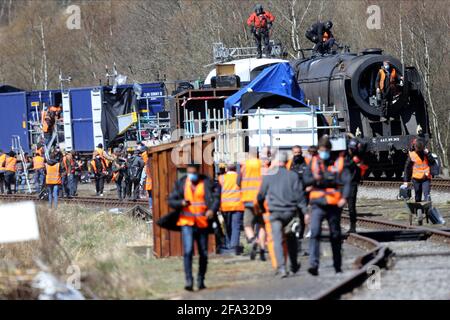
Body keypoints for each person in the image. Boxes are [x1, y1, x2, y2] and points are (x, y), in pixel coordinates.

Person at [303, 136, 352, 275]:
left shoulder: (338, 162)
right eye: (321, 150)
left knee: (335, 235)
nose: (323, 152)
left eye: (326, 150)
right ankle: (313, 264)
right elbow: (305, 179)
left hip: (333, 204)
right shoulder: (313, 162)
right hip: (317, 204)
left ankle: (337, 265)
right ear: (319, 150)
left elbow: (347, 181)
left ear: (330, 150)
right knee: (315, 233)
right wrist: (315, 179)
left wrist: (344, 198)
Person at [168, 163, 220, 291]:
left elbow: (216, 198)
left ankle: (200, 280)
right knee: (188, 251)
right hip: (187, 223)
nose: (191, 175)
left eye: (193, 172)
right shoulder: (181, 183)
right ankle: (189, 281)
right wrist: (180, 202)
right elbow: (171, 200)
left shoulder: (206, 183)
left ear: (198, 172)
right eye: (189, 172)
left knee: (203, 252)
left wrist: (212, 210)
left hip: (202, 222)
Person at [257, 152, 305, 278]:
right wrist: (305, 211)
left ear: (276, 161)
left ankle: (282, 268)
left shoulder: (268, 176)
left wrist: (262, 210)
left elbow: (260, 196)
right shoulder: (293, 176)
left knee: (277, 240)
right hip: (290, 213)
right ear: (286, 162)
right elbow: (299, 196)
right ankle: (294, 265)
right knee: (291, 239)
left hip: (275, 213)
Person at [238, 147, 265, 261]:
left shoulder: (244, 166)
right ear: (257, 154)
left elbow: (238, 182)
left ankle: (254, 241)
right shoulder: (262, 164)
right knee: (262, 225)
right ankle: (262, 250)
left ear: (248, 155)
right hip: (261, 200)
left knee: (247, 225)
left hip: (248, 199)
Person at [218, 164, 244, 255]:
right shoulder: (240, 177)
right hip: (238, 205)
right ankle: (234, 247)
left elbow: (219, 191)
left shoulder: (221, 178)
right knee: (236, 226)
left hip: (225, 206)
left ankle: (228, 245)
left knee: (227, 226)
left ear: (226, 168)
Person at [345, 139, 368, 233]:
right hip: (342, 184)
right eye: (351, 148)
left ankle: (352, 226)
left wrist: (355, 138)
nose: (352, 150)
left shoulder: (358, 156)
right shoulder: (345, 156)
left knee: (351, 207)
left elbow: (365, 143)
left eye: (353, 149)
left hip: (352, 184)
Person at [403, 139, 435, 203]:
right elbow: (407, 168)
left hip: (426, 178)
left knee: (426, 193)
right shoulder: (412, 155)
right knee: (417, 193)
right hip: (416, 178)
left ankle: (428, 206)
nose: (419, 151)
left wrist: (428, 154)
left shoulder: (426, 153)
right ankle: (418, 207)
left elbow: (432, 162)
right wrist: (406, 181)